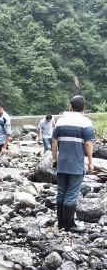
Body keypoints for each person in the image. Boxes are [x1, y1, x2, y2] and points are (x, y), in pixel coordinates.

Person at [52, 95, 95, 233]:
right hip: (76, 164)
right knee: (71, 193)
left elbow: (54, 142)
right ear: (84, 107)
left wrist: (54, 159)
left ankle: (60, 223)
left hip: (62, 163)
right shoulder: (85, 122)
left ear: (70, 106)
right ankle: (69, 225)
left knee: (61, 193)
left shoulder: (60, 121)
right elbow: (88, 143)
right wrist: (90, 162)